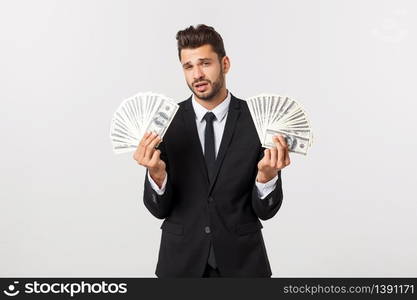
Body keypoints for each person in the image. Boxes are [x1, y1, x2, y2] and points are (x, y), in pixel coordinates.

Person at [133, 24, 290, 278]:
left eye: (205, 63)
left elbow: (266, 211)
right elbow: (159, 210)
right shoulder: (164, 123)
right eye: (189, 66)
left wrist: (266, 178)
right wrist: (157, 176)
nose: (197, 74)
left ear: (225, 64)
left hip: (243, 265)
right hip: (180, 265)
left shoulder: (259, 122)